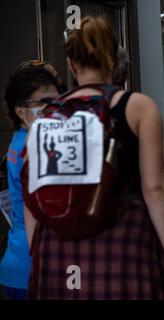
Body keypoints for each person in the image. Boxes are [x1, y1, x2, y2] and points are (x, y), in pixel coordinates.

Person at [23, 16, 164, 300]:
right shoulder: (138, 107)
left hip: (59, 246)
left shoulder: (46, 116)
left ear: (72, 64)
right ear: (113, 59)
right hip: (124, 240)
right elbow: (154, 188)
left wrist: (38, 255)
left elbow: (32, 197)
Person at [0, 64, 60, 300]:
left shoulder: (19, 140)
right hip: (35, 269)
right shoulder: (35, 146)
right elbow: (34, 212)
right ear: (20, 112)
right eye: (43, 102)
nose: (53, 109)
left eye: (56, 101)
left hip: (19, 263)